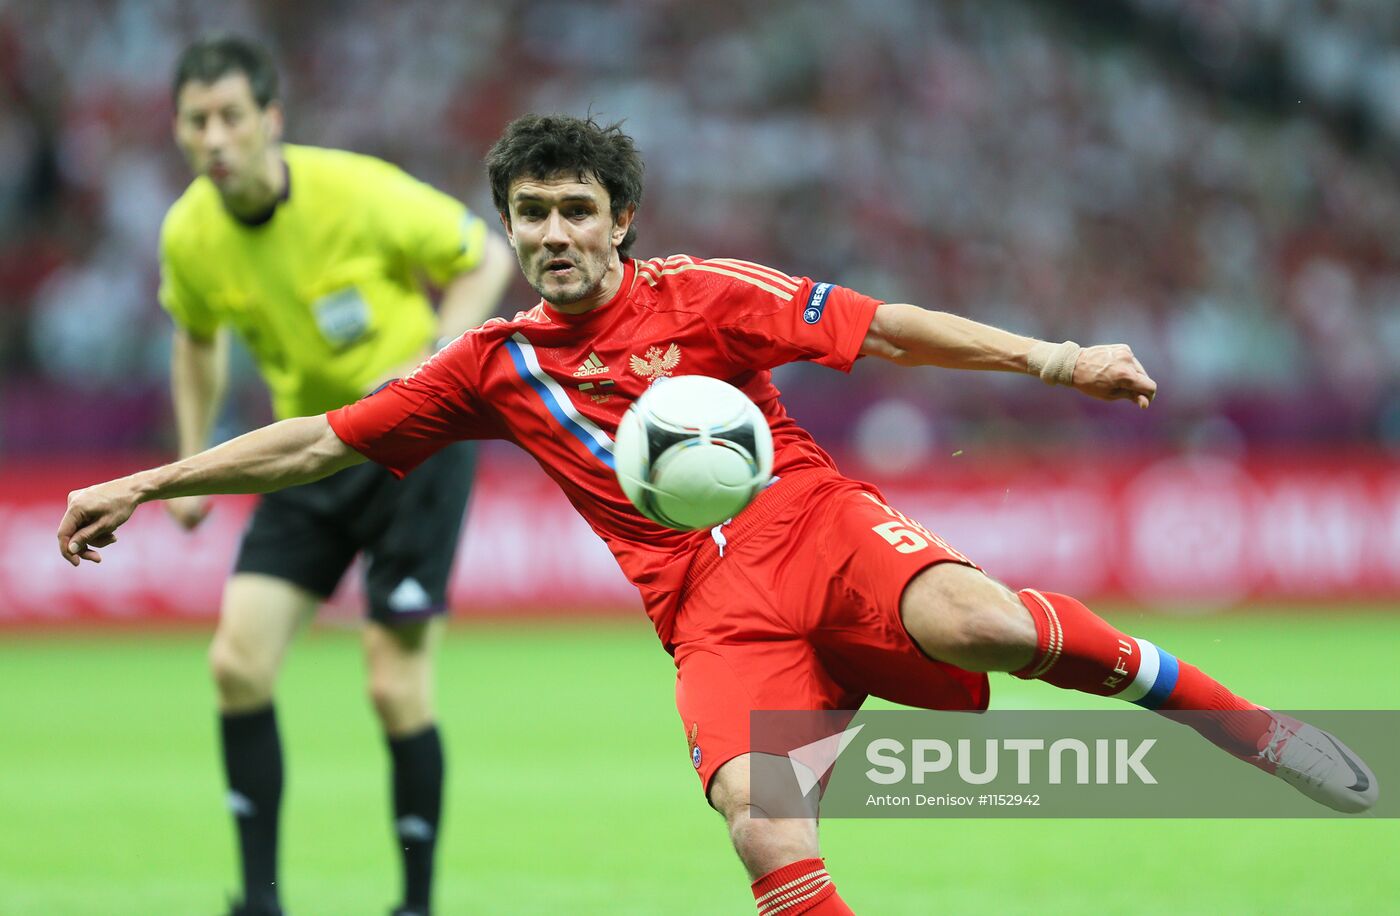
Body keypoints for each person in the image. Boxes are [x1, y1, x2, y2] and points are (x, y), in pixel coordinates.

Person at [61, 114, 1376, 915]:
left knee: (983, 621)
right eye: (533, 215)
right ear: (512, 229)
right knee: (760, 822)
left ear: (622, 220)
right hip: (709, 616)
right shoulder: (494, 365)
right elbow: (314, 440)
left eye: (579, 210)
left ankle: (1241, 729)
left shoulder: (707, 294)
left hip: (819, 528)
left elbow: (886, 331)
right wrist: (148, 479)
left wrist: (1052, 357)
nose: (556, 233)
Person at [155, 37, 513, 916]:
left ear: (270, 119)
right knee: (237, 665)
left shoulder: (354, 191)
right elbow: (196, 341)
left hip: (411, 451)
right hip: (307, 449)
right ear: (180, 130)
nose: (215, 137)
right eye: (197, 120)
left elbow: (485, 259)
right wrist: (194, 465)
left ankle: (416, 906)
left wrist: (432, 363)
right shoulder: (189, 233)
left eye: (232, 116)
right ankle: (261, 900)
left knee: (393, 687)